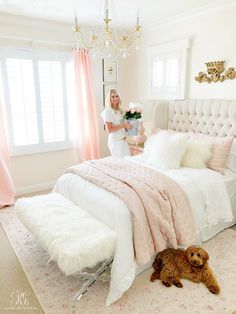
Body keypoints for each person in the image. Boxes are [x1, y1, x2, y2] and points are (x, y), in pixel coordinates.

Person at [101, 89, 132, 158]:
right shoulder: (108, 111)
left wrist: (127, 126)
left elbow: (123, 127)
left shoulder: (119, 111)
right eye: (113, 97)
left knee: (126, 162)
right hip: (115, 142)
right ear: (109, 99)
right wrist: (123, 125)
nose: (115, 98)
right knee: (120, 164)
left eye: (117, 96)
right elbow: (109, 130)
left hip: (123, 140)